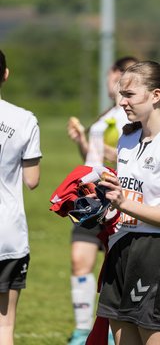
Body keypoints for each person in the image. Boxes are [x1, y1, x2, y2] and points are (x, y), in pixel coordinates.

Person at [94, 60, 160, 345]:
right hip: (120, 247)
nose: (122, 101)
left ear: (156, 96)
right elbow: (126, 194)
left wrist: (123, 203)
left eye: (129, 95)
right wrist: (98, 200)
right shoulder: (128, 138)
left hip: (156, 251)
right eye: (121, 93)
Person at [67, 56, 139, 345]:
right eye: (117, 72)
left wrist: (116, 156)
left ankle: (111, 329)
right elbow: (93, 161)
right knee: (79, 261)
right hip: (90, 199)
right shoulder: (107, 114)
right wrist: (82, 143)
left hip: (117, 202)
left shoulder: (134, 117)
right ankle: (82, 330)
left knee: (114, 270)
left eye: (126, 74)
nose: (117, 79)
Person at [0, 49, 42, 344]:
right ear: (5, 74)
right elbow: (32, 181)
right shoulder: (24, 119)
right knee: (4, 327)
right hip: (8, 233)